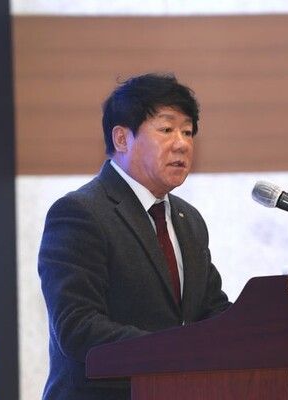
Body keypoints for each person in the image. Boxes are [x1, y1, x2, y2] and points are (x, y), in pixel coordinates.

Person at [38, 73, 231, 400]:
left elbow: (211, 311)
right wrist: (177, 352)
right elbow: (78, 327)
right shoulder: (79, 213)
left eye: (187, 132)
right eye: (166, 129)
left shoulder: (189, 221)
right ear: (122, 139)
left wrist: (266, 329)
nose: (182, 143)